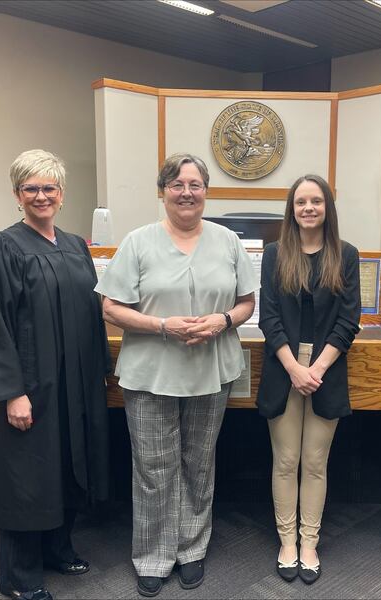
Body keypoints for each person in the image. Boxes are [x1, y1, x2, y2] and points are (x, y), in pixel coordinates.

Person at [95, 153, 258, 598]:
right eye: (177, 185)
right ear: (163, 191)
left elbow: (247, 302)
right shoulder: (138, 242)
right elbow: (111, 308)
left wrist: (223, 320)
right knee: (154, 467)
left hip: (211, 371)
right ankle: (153, 556)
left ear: (206, 191)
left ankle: (191, 549)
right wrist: (163, 325)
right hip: (150, 372)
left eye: (195, 185)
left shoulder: (228, 241)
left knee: (198, 463)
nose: (187, 193)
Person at [0, 149, 111, 600]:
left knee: (67, 466)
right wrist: (11, 392)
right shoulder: (2, 246)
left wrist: (100, 371)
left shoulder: (75, 246)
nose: (41, 196)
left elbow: (92, 313)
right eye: (30, 188)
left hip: (75, 385)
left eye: (49, 187)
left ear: (62, 193)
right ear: (17, 195)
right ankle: (18, 575)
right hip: (32, 387)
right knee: (28, 477)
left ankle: (58, 548)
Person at [257, 174, 361, 585]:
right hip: (284, 367)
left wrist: (315, 369)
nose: (308, 208)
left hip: (326, 370)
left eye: (316, 201)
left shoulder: (345, 255)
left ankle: (309, 544)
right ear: (292, 209)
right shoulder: (274, 254)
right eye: (301, 202)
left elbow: (348, 320)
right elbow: (269, 318)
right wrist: (294, 367)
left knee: (315, 463)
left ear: (327, 207)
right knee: (285, 461)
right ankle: (287, 542)